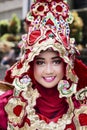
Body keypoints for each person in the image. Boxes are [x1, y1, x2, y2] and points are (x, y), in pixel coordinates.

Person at [0, 0, 87, 129]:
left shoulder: (82, 106)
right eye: (40, 62)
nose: (48, 70)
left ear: (67, 64)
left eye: (56, 61)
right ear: (30, 65)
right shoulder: (8, 106)